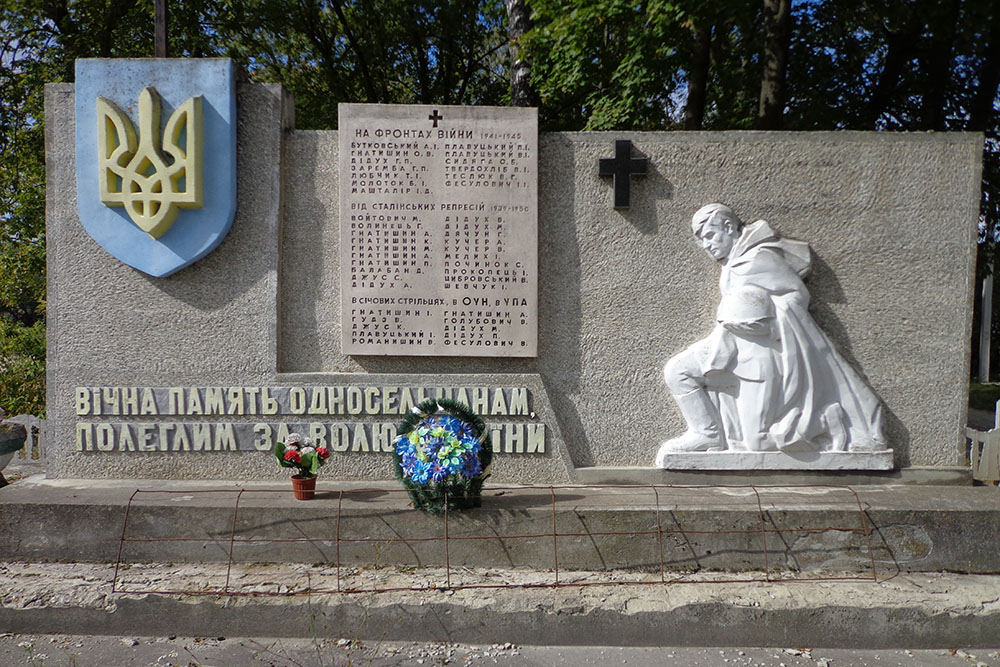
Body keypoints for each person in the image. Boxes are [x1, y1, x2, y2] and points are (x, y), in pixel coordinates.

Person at [656, 204, 886, 464]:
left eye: (709, 235)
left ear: (729, 227)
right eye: (701, 241)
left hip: (762, 352)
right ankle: (706, 433)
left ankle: (825, 422)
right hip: (728, 342)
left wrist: (759, 317)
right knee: (678, 370)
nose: (707, 245)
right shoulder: (733, 263)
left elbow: (797, 296)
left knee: (756, 444)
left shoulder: (757, 259)